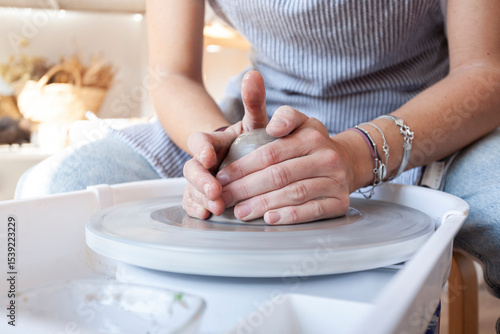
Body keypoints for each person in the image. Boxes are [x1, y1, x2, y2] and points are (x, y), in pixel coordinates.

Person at [16, 0, 500, 299]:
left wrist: (357, 155)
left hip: (423, 118)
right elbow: (170, 75)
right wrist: (223, 151)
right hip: (251, 119)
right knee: (53, 196)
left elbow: (484, 72)